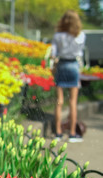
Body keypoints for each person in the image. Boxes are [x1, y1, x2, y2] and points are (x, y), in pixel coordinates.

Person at [51, 10, 85, 143]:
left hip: (62, 65)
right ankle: (72, 133)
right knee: (73, 102)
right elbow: (80, 53)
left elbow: (53, 54)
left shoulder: (58, 36)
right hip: (73, 66)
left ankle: (58, 133)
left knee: (59, 101)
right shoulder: (80, 35)